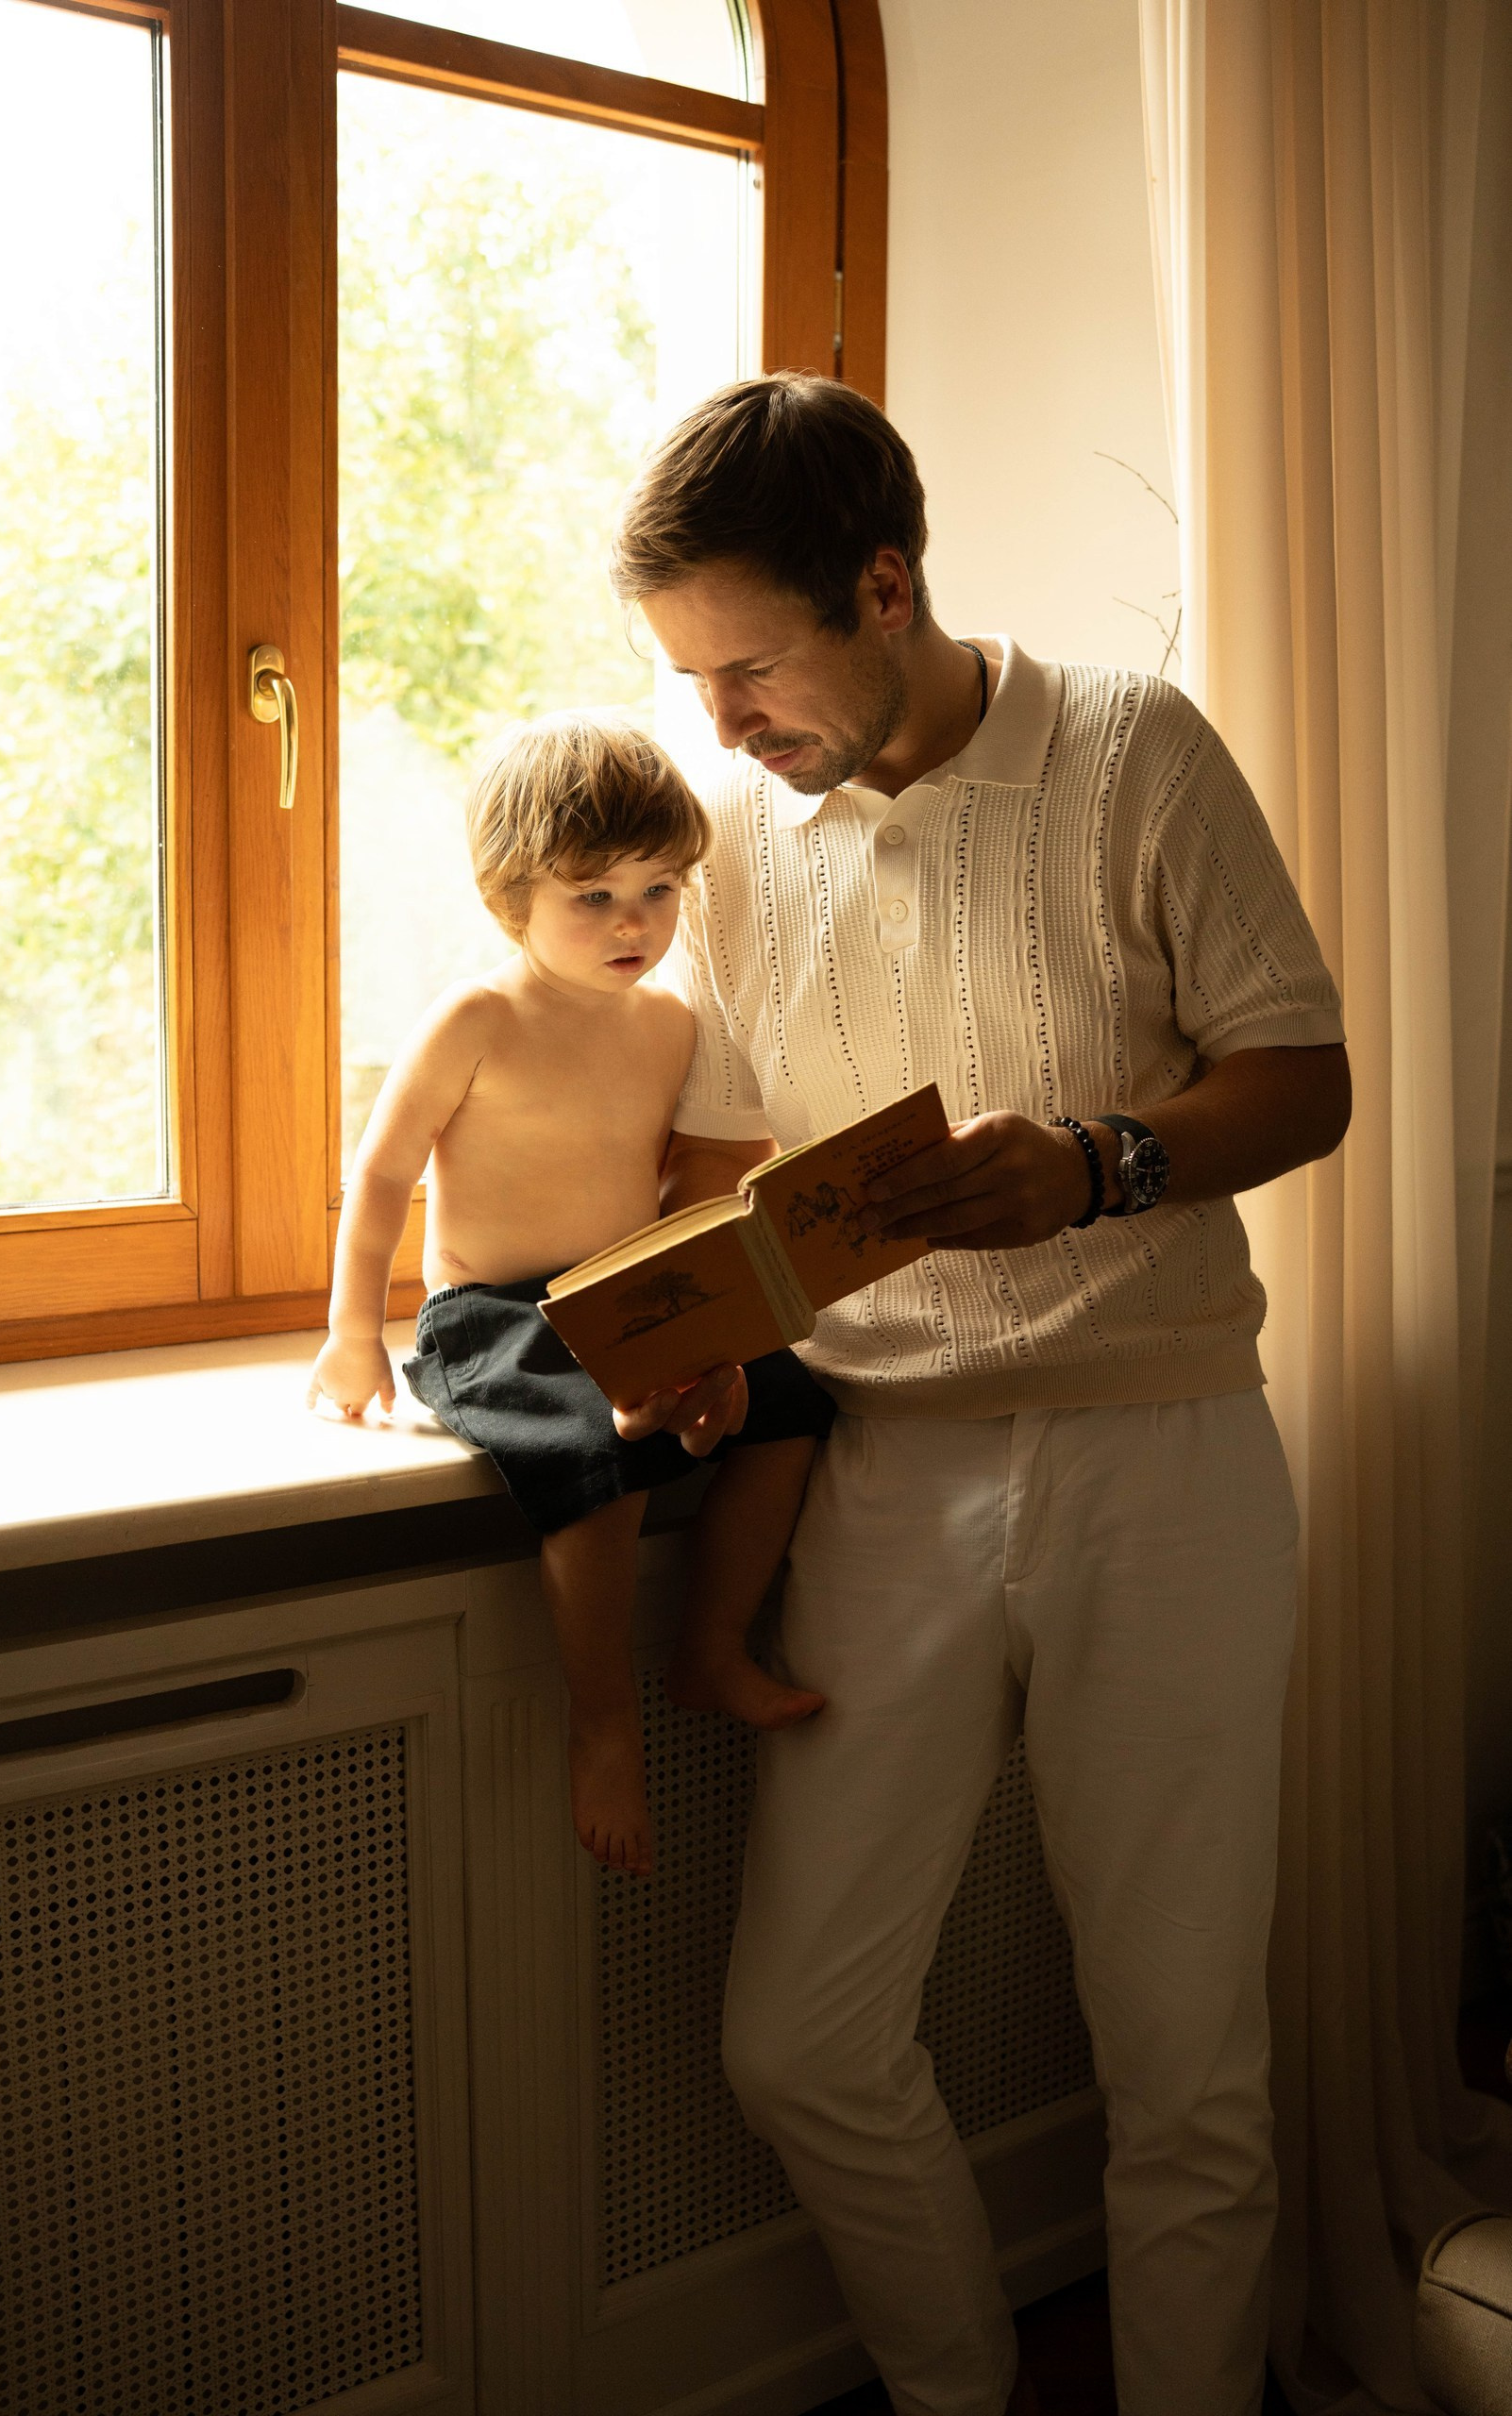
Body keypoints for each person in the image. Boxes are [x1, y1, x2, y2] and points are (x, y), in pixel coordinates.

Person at [607, 374, 1352, 2416]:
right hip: (883, 1468)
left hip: (1164, 1457)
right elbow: (730, 1163)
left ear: (884, 582)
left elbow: (1305, 1072)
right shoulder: (748, 848)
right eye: (686, 679)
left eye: (747, 666)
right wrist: (687, 1339)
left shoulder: (1130, 747)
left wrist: (1095, 1158)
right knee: (802, 2037)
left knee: (1178, 2048)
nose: (721, 725)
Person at [305, 713, 833, 1880]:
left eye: (657, 887)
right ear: (511, 898)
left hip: (622, 1296)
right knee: (592, 1455)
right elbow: (382, 1173)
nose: (633, 921)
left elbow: (688, 1196)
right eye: (591, 895)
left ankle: (709, 1645)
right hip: (490, 1316)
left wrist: (711, 1343)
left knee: (796, 1403)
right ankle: (603, 1727)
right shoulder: (477, 1019)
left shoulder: (673, 1026)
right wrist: (354, 1335)